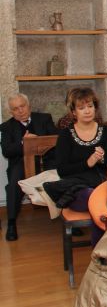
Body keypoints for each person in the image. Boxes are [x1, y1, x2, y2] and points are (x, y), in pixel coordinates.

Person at [42, 88, 107, 225]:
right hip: (77, 187)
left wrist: (102, 159)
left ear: (95, 108)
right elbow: (62, 170)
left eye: (90, 106)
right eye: (81, 108)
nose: (87, 111)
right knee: (93, 197)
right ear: (73, 112)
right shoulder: (66, 135)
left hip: (102, 183)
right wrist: (88, 163)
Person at [0, 93, 58, 241]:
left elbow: (56, 140)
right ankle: (12, 223)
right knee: (13, 184)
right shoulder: (6, 126)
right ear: (10, 112)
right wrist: (23, 142)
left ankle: (68, 217)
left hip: (46, 160)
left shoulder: (45, 118)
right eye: (15, 109)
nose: (20, 111)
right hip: (20, 163)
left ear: (29, 106)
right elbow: (7, 151)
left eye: (22, 106)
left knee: (63, 176)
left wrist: (37, 142)